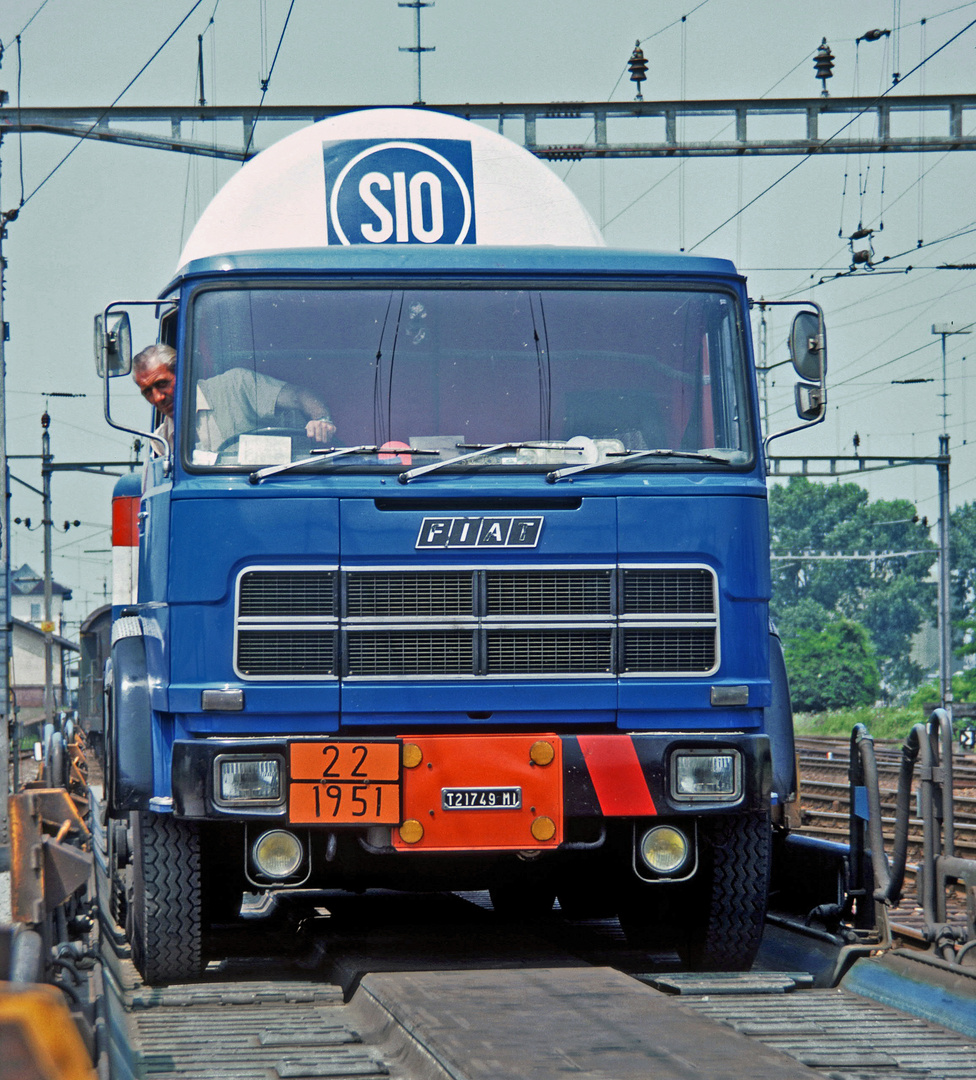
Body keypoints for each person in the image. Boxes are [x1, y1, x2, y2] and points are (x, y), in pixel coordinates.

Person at [132, 344, 336, 459]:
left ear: (184, 372)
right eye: (147, 392)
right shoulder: (161, 441)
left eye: (162, 384)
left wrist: (322, 419)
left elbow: (300, 396)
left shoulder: (236, 385)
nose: (157, 397)